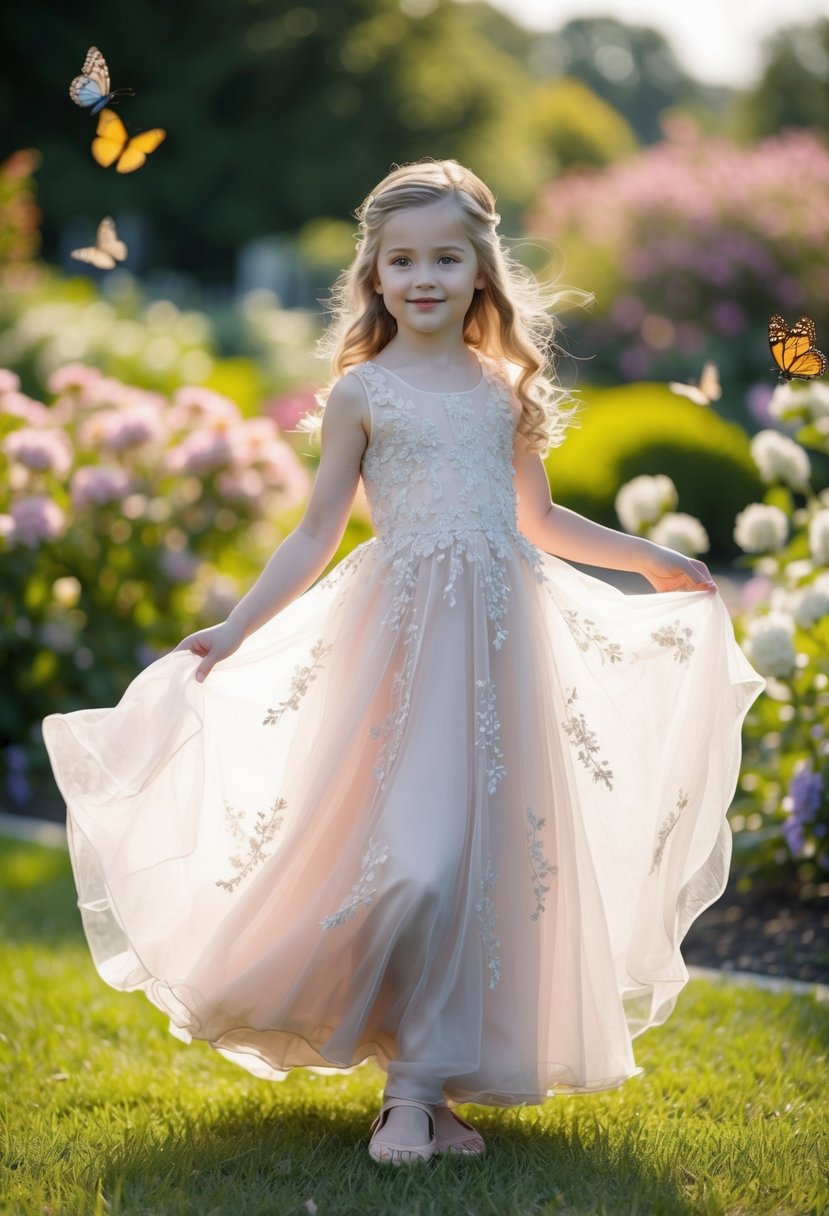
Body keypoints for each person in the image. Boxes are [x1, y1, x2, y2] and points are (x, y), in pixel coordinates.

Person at [43, 159, 763, 1166]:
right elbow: (311, 536)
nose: (424, 275)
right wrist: (238, 626)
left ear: (481, 272)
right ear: (374, 276)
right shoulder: (361, 393)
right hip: (397, 646)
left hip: (501, 646)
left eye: (445, 257)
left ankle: (417, 1092)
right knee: (413, 868)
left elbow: (540, 518)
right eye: (403, 259)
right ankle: (414, 1091)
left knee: (480, 870)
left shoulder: (502, 390)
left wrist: (652, 558)